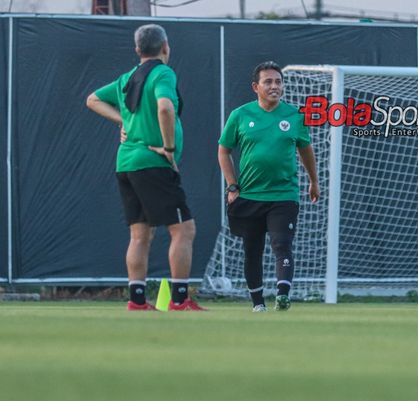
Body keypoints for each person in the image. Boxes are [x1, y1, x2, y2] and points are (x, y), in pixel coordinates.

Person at [86, 23, 204, 311]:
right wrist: (169, 148)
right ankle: (179, 300)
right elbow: (165, 107)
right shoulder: (163, 72)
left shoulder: (128, 78)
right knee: (183, 230)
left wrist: (123, 121)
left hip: (126, 162)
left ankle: (137, 301)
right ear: (165, 47)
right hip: (153, 162)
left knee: (140, 234)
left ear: (137, 50)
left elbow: (92, 100)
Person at [218, 61, 320, 312]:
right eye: (268, 82)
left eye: (278, 81)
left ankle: (283, 294)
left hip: (284, 194)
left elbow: (306, 150)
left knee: (281, 244)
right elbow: (223, 151)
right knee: (252, 250)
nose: (275, 86)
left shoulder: (295, 115)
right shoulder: (240, 115)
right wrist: (232, 187)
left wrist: (313, 181)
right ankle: (258, 304)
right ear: (256, 87)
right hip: (250, 195)